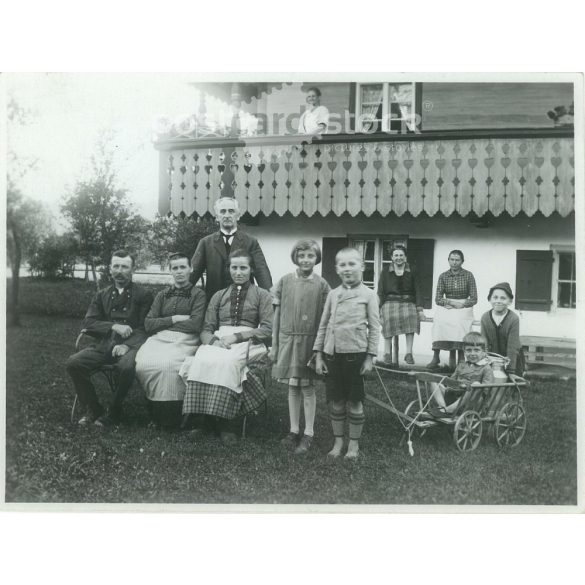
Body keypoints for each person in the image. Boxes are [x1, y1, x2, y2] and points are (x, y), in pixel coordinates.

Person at [180, 249, 273, 446]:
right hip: (219, 338)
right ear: (228, 269)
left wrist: (237, 336)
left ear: (252, 270)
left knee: (228, 362)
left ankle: (227, 423)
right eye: (234, 267)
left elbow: (267, 329)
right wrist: (214, 341)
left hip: (250, 341)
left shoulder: (262, 295)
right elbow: (206, 328)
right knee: (201, 359)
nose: (238, 272)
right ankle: (205, 419)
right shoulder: (219, 295)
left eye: (243, 268)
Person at [66, 250, 154, 427]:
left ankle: (114, 410)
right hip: (105, 345)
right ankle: (94, 408)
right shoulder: (102, 294)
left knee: (126, 367)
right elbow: (89, 322)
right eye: (116, 266)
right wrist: (113, 326)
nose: (120, 271)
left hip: (132, 347)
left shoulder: (144, 295)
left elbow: (146, 327)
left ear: (132, 269)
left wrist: (127, 346)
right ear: (110, 269)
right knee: (74, 363)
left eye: (124, 267)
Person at [314, 247, 381, 460]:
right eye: (342, 265)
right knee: (335, 400)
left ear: (362, 266)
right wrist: (319, 355)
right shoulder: (333, 294)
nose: (347, 269)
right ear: (336, 269)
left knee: (354, 401)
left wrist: (370, 356)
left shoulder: (369, 295)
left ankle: (353, 445)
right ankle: (338, 442)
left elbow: (375, 327)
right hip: (332, 355)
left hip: (356, 355)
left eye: (352, 264)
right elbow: (323, 326)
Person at [270, 239, 330, 454]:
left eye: (310, 256)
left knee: (307, 386)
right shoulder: (284, 281)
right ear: (295, 257)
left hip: (309, 341)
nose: (305, 260)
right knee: (292, 386)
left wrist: (320, 349)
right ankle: (293, 430)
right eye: (301, 255)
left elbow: (326, 318)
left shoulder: (322, 285)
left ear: (317, 258)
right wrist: (275, 343)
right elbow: (276, 315)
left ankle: (309, 433)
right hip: (288, 339)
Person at [135, 253, 207, 428]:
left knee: (168, 366)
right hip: (159, 339)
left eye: (183, 267)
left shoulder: (198, 295)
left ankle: (172, 415)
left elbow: (195, 325)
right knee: (144, 364)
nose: (179, 271)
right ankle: (155, 408)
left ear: (191, 269)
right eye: (175, 268)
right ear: (170, 271)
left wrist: (163, 324)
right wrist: (174, 319)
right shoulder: (162, 295)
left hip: (186, 340)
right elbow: (148, 324)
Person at [191, 196, 272, 300]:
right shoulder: (205, 243)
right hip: (214, 303)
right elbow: (191, 275)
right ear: (217, 216)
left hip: (245, 303)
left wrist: (269, 299)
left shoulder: (251, 242)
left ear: (238, 216)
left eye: (231, 211)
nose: (227, 215)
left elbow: (262, 272)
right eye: (223, 211)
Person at [428, 249, 477, 370]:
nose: (454, 262)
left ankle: (461, 358)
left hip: (463, 306)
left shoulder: (468, 275)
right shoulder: (443, 276)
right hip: (448, 305)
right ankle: (436, 355)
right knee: (439, 321)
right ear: (448, 260)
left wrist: (463, 304)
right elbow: (438, 299)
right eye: (452, 259)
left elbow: (474, 298)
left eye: (457, 260)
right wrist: (449, 302)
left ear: (462, 261)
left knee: (460, 322)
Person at [377, 245, 424, 366]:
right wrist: (378, 309)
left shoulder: (413, 270)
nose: (399, 258)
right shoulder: (385, 271)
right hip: (390, 302)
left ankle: (409, 353)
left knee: (411, 317)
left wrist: (420, 309)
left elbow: (418, 289)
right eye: (396, 255)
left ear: (405, 257)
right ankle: (387, 353)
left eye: (401, 255)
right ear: (392, 257)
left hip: (408, 302)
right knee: (388, 319)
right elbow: (380, 292)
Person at [429, 331, 495, 415]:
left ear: (484, 352)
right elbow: (451, 381)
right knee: (433, 381)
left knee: (477, 384)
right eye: (469, 350)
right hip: (454, 396)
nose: (472, 354)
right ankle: (443, 407)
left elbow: (487, 390)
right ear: (464, 351)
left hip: (472, 402)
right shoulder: (461, 365)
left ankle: (449, 410)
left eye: (476, 350)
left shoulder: (486, 368)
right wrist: (447, 381)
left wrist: (468, 386)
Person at [480, 282, 525, 376]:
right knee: (490, 382)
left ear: (510, 301)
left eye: (503, 298)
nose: (498, 301)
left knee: (511, 385)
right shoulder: (485, 317)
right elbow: (484, 343)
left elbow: (512, 347)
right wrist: (484, 361)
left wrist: (511, 370)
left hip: (513, 357)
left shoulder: (513, 319)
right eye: (495, 297)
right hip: (493, 357)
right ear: (489, 299)